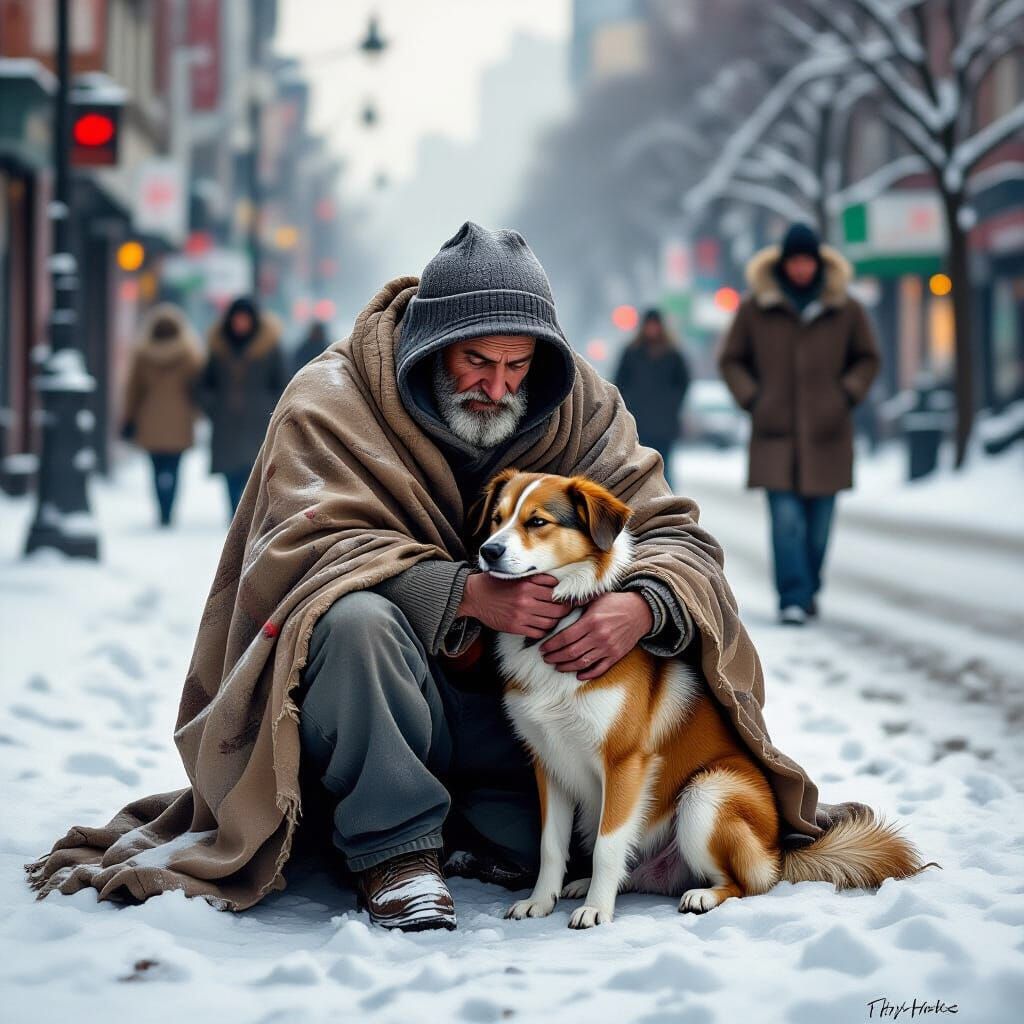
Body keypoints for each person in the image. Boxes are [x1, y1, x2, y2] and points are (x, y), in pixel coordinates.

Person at [28, 223, 867, 933]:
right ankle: (396, 853)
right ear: (431, 347)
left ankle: (492, 835)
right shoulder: (332, 399)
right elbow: (305, 554)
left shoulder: (585, 409)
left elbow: (672, 533)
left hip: (524, 729)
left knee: (550, 801)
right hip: (385, 709)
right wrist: (462, 592)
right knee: (353, 620)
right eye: (475, 363)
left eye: (517, 367)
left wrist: (642, 610)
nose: (497, 386)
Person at [718, 223, 880, 626]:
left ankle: (808, 589)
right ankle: (792, 596)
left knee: (819, 529)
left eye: (808, 261)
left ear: (819, 262)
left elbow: (868, 358)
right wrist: (753, 398)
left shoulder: (846, 308)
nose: (802, 268)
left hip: (828, 435)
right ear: (784, 262)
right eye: (795, 261)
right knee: (786, 522)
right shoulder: (756, 307)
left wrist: (845, 394)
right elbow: (731, 359)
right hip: (775, 436)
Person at [198, 296, 287, 516]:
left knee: (254, 472)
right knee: (230, 475)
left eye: (245, 319)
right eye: (237, 319)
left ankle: (247, 519)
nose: (241, 324)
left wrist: (269, 409)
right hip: (226, 423)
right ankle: (234, 516)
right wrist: (213, 408)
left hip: (257, 422)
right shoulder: (219, 346)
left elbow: (282, 383)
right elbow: (205, 384)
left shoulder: (269, 348)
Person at [120, 303, 203, 527]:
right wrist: (198, 413)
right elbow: (197, 387)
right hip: (179, 420)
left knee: (156, 468)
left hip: (150, 421)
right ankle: (170, 508)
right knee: (174, 467)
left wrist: (128, 418)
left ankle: (161, 509)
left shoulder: (142, 354)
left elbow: (133, 389)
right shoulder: (188, 353)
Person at [613, 309, 691, 489]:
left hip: (665, 425)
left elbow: (683, 384)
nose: (652, 329)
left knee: (665, 469)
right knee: (639, 468)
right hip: (637, 422)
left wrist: (671, 405)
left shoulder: (673, 355)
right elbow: (619, 384)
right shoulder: (631, 353)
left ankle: (668, 508)